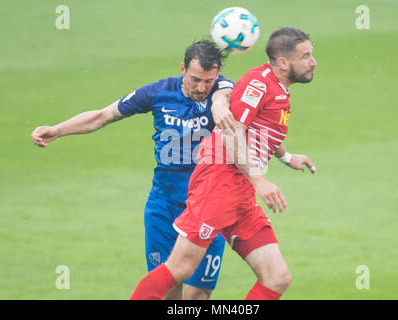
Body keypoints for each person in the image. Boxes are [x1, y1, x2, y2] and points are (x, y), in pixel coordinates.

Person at [30, 40, 237, 300]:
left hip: (208, 208)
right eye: (195, 79)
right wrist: (58, 130)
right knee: (166, 291)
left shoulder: (226, 92)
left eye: (209, 80)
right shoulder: (158, 93)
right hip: (165, 205)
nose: (201, 87)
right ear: (182, 69)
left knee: (198, 296)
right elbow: (103, 116)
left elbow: (246, 107)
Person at [129, 27, 317, 300]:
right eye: (306, 56)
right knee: (180, 268)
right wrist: (259, 179)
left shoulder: (276, 88)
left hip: (239, 192)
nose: (313, 61)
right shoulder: (259, 85)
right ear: (283, 62)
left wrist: (286, 158)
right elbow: (232, 131)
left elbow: (262, 131)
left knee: (277, 277)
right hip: (218, 183)